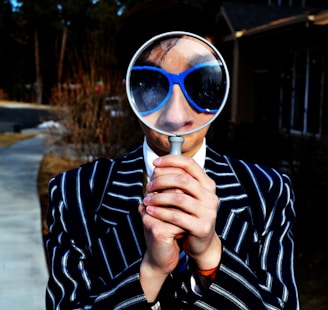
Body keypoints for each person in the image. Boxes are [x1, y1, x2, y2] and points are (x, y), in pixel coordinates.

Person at [45, 0, 300, 309]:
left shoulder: (268, 192)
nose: (176, 114)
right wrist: (150, 271)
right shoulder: (75, 194)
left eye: (199, 81)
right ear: (129, 90)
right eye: (152, 83)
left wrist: (210, 257)